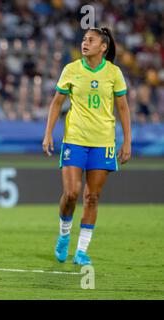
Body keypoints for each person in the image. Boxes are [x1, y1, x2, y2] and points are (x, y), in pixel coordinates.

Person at [42, 27, 132, 265]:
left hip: (103, 143)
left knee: (92, 197)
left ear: (103, 47)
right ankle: (63, 236)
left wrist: (127, 141)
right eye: (84, 39)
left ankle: (81, 250)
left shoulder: (113, 73)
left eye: (91, 40)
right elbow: (56, 103)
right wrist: (48, 133)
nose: (85, 43)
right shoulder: (71, 69)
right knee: (71, 193)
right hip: (75, 140)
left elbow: (123, 108)